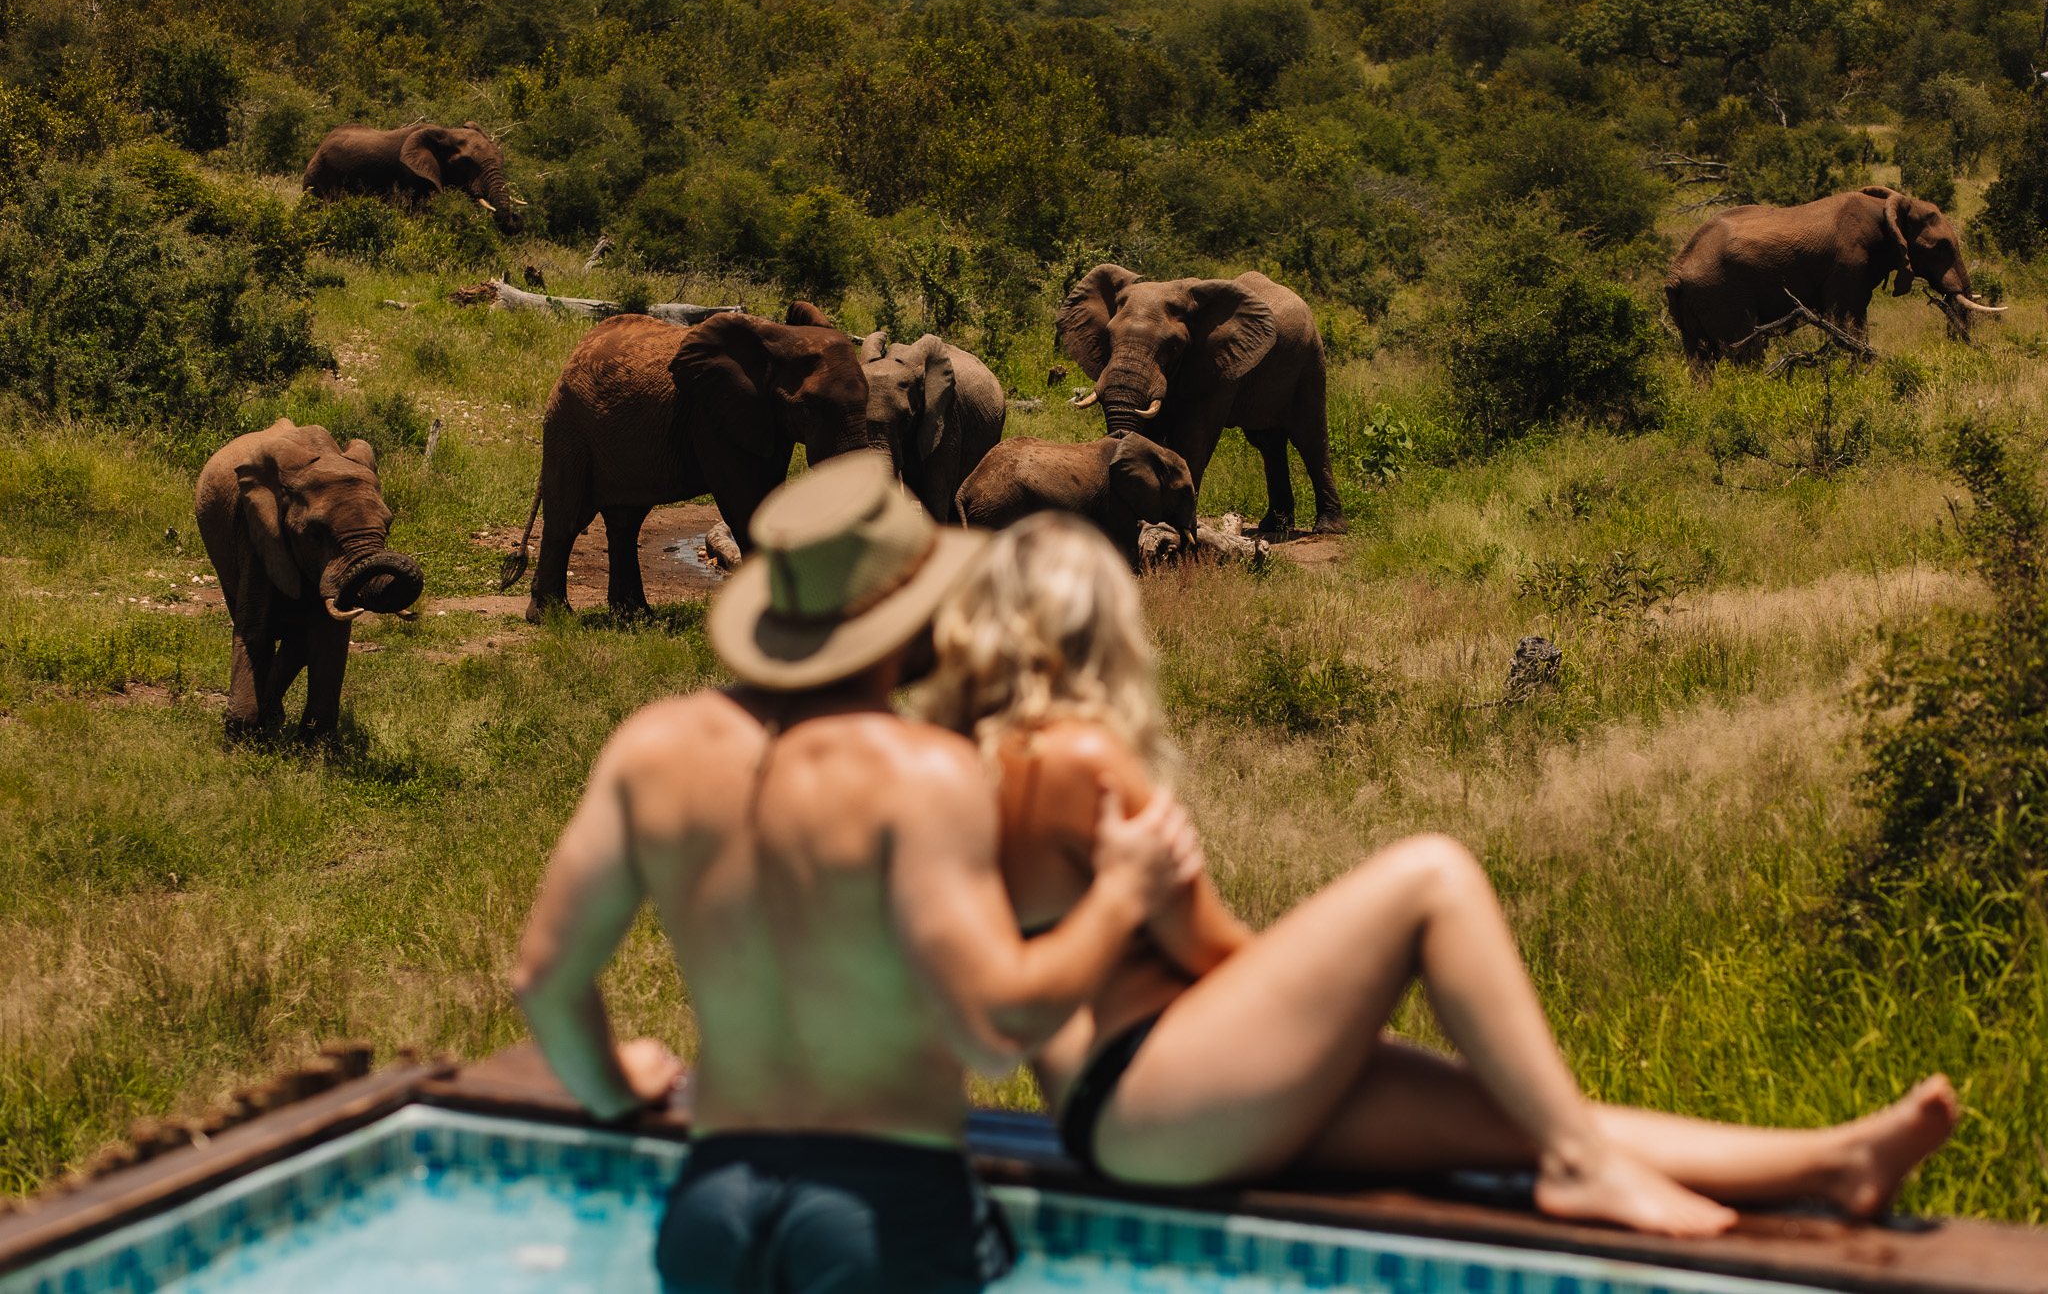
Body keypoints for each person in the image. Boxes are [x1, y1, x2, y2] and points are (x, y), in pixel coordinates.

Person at [918, 511, 1961, 1240]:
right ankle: (1585, 1168)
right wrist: (1332, 996)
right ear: (1097, 626)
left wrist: (1303, 1022)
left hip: (1121, 1112)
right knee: (1431, 874)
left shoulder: (968, 775)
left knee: (1519, 1112)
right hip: (1164, 1093)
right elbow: (1213, 950)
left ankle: (1832, 1161)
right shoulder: (1081, 756)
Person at [511, 454, 1202, 1294]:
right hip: (882, 1206)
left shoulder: (653, 747)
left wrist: (616, 1089)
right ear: (907, 620)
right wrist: (1121, 892)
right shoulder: (923, 771)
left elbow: (545, 977)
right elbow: (995, 1026)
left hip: (712, 1203)